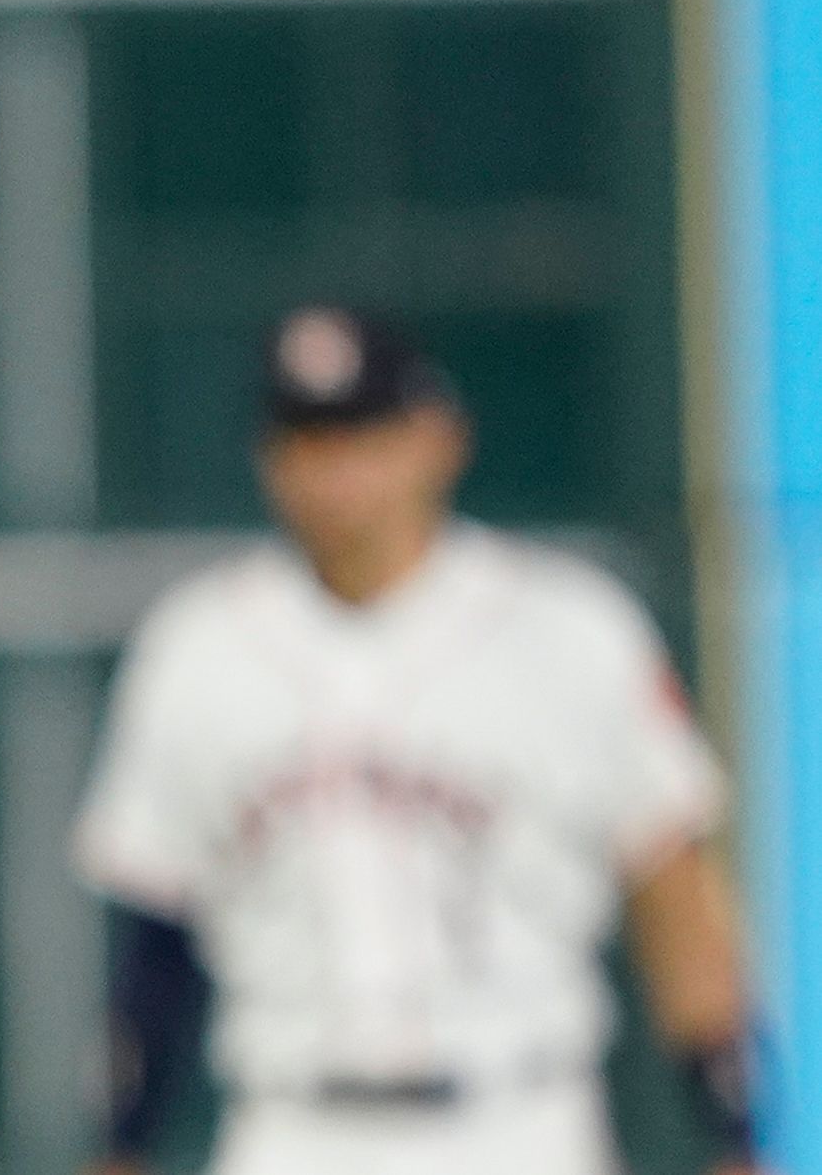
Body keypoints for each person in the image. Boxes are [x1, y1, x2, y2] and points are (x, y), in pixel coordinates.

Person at [73, 307, 762, 1175]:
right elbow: (155, 942)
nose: (335, 472)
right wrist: (120, 1146)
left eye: (363, 435)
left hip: (524, 1118)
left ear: (438, 437)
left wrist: (735, 1137)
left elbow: (676, 901)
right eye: (307, 439)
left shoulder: (570, 627)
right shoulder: (193, 646)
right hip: (290, 1127)